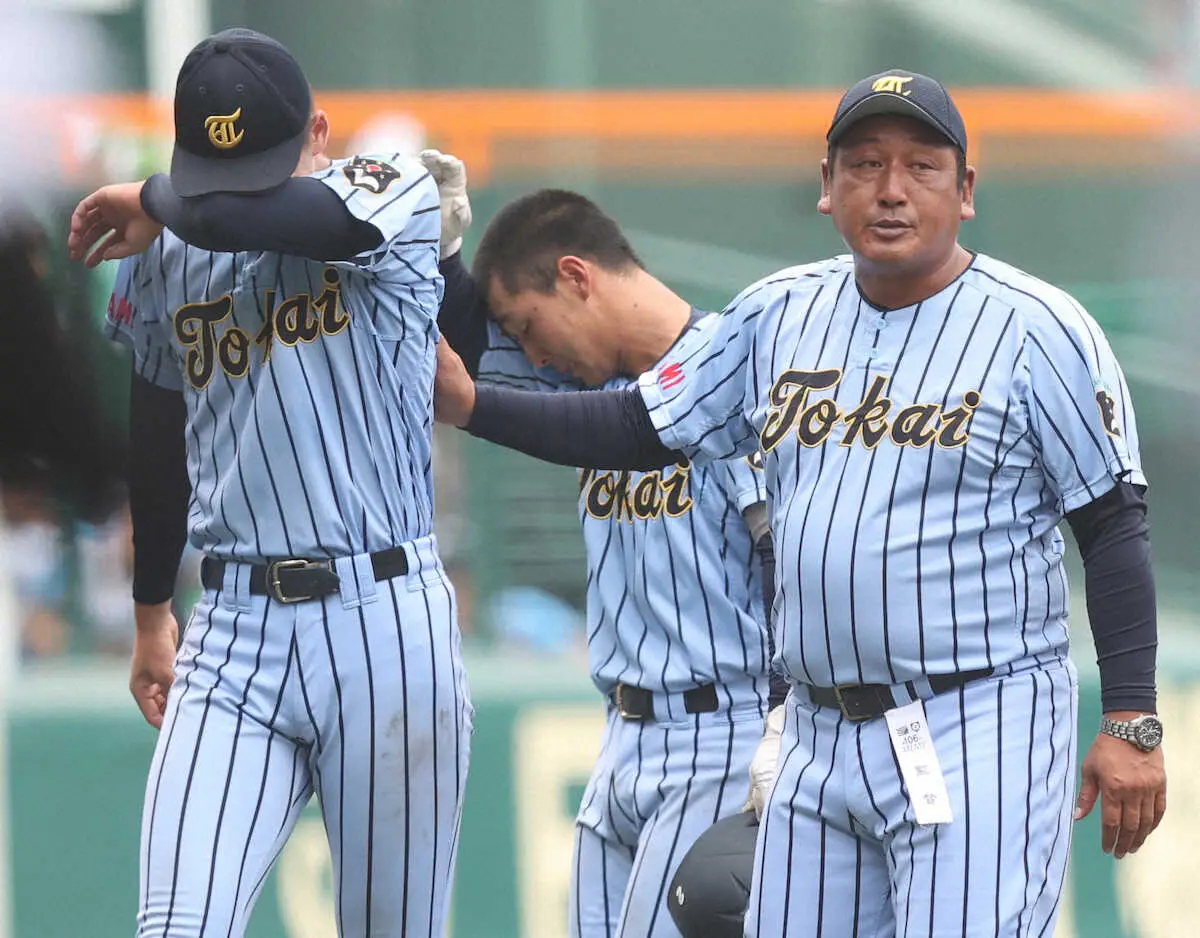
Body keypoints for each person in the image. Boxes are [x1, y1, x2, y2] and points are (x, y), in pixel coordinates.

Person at [432, 69, 1166, 938]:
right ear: (827, 186)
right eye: (864, 164)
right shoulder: (777, 315)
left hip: (976, 715)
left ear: (965, 191)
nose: (891, 189)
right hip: (817, 733)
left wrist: (1131, 718)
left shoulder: (1038, 330)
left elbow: (1111, 524)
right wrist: (475, 405)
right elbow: (636, 424)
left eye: (921, 166)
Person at [66, 27, 471, 938]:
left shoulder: (389, 188)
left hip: (384, 616)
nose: (222, 196)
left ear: (318, 134)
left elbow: (275, 218)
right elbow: (156, 422)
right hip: (235, 628)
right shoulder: (168, 238)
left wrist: (154, 196)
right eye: (207, 174)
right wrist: (146, 613)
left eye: (250, 166)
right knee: (176, 925)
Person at [423, 155, 785, 938]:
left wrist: (789, 720)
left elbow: (778, 565)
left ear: (578, 277)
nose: (535, 355)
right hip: (622, 736)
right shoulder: (583, 389)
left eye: (532, 326)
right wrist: (445, 258)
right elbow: (463, 358)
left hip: (723, 730)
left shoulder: (732, 367)